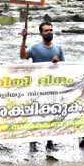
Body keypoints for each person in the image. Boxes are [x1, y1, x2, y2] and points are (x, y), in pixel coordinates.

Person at [21, 21, 65, 151]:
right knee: (36, 112)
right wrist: (24, 39)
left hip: (53, 86)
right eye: (46, 31)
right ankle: (32, 141)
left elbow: (65, 67)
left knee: (52, 112)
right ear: (41, 33)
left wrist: (57, 63)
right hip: (38, 86)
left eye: (51, 30)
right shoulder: (35, 48)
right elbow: (23, 56)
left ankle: (50, 141)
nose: (49, 32)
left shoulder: (58, 49)